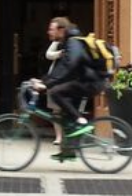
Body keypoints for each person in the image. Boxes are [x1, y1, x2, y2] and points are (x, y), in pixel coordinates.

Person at [31, 17, 104, 162]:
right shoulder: (67, 42)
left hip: (91, 82)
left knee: (57, 92)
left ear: (61, 30)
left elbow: (68, 66)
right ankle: (68, 151)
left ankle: (81, 120)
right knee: (65, 115)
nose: (48, 32)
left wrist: (47, 85)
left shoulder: (73, 42)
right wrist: (44, 80)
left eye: (51, 29)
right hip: (84, 81)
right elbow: (60, 68)